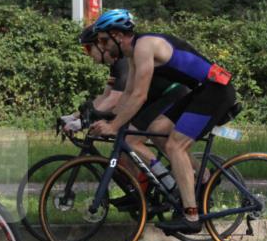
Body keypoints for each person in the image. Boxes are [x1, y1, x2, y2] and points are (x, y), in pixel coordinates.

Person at [88, 9, 236, 233]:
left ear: (118, 35)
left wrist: (114, 126)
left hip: (216, 91)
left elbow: (140, 95)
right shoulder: (132, 54)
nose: (103, 46)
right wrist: (106, 119)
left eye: (104, 40)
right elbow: (127, 95)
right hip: (202, 90)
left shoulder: (144, 47)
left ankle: (191, 216)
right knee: (157, 129)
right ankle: (201, 179)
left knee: (175, 145)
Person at [67, 20, 189, 195]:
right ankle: (138, 194)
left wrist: (87, 121)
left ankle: (179, 182)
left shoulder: (122, 62)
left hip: (171, 94)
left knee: (133, 140)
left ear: (101, 44)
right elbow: (105, 97)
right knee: (125, 144)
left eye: (88, 49)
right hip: (155, 99)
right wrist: (76, 117)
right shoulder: (115, 65)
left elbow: (116, 99)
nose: (88, 55)